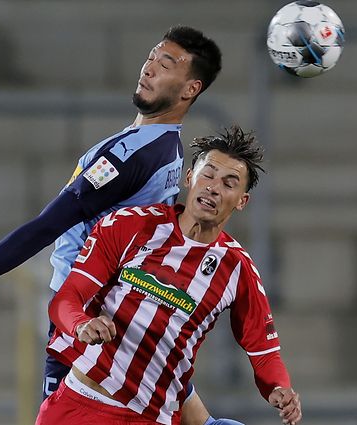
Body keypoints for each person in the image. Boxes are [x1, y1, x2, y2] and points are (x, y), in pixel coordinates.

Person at [0, 25, 236, 425]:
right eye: (151, 57)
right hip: (107, 315)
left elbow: (49, 224)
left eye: (166, 64)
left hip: (88, 320)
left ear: (190, 89)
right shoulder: (163, 148)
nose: (149, 68)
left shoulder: (133, 157)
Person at [39, 126, 302, 425]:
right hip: (79, 405)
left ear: (242, 201)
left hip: (150, 417)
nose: (213, 187)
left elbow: (264, 351)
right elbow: (65, 299)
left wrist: (278, 388)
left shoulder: (237, 268)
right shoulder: (129, 226)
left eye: (229, 184)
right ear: (189, 177)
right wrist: (81, 323)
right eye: (208, 174)